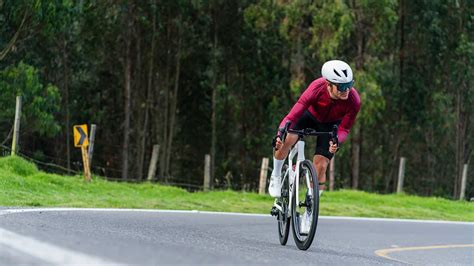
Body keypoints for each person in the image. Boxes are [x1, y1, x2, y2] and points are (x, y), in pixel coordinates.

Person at [269, 60, 361, 198]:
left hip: (331, 124)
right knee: (286, 141)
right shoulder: (316, 88)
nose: (347, 90)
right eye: (342, 87)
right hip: (308, 116)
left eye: (349, 85)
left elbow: (345, 128)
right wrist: (279, 133)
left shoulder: (354, 100)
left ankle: (311, 200)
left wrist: (336, 141)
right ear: (329, 84)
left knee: (322, 165)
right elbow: (292, 116)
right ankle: (275, 175)